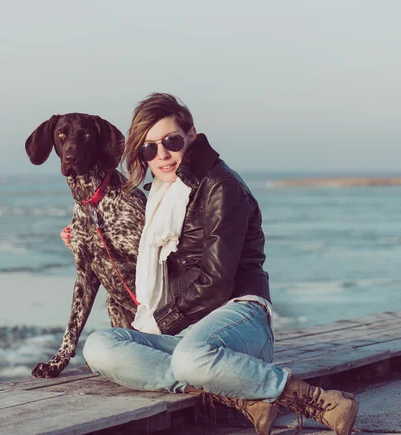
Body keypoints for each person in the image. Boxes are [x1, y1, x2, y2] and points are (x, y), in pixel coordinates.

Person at [60, 93, 358, 435]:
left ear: (191, 134)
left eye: (171, 141)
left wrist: (158, 324)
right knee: (100, 346)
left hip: (239, 315)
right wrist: (88, 239)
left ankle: (316, 400)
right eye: (149, 148)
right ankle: (244, 399)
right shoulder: (160, 194)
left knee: (189, 358)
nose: (162, 155)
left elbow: (217, 282)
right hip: (188, 330)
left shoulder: (221, 186)